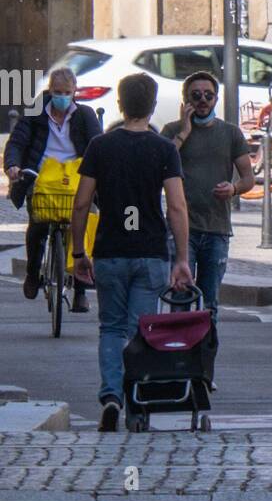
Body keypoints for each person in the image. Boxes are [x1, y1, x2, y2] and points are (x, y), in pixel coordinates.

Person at [70, 73, 194, 433]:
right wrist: (182, 258)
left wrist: (79, 252)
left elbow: (81, 205)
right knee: (142, 330)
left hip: (109, 250)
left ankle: (111, 396)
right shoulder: (163, 149)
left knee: (110, 327)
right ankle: (137, 405)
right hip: (150, 252)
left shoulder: (100, 147)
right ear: (153, 106)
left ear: (121, 105)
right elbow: (177, 207)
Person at [4, 66, 100, 312]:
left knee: (82, 229)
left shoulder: (85, 115)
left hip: (76, 180)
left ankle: (80, 291)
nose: (62, 97)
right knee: (37, 225)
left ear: (74, 92)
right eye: (57, 92)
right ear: (50, 91)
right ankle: (33, 272)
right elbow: (17, 141)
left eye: (67, 92)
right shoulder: (36, 111)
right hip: (42, 178)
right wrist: (13, 166)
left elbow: (98, 147)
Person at [161, 70, 254, 322]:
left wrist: (233, 189)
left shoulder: (231, 133)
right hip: (182, 230)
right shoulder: (171, 131)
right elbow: (158, 165)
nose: (203, 101)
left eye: (208, 96)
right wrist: (184, 130)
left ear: (216, 99)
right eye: (196, 95)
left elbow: (248, 179)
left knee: (209, 302)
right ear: (185, 101)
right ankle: (178, 357)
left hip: (217, 228)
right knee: (180, 297)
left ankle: (203, 356)